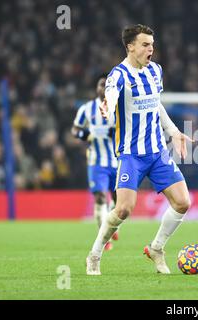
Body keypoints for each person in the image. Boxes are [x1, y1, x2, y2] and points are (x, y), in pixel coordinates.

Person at [86, 24, 193, 275]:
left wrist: (174, 131)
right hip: (131, 154)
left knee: (183, 202)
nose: (150, 49)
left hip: (157, 152)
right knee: (123, 208)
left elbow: (156, 105)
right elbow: (111, 96)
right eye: (145, 44)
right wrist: (107, 106)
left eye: (152, 45)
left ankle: (156, 248)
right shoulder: (119, 75)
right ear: (130, 46)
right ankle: (95, 254)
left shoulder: (155, 70)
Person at [72, 75, 119, 251]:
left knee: (119, 200)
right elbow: (75, 129)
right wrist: (85, 135)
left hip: (116, 160)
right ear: (97, 88)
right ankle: (104, 237)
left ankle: (114, 226)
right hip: (96, 162)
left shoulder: (117, 108)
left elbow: (126, 129)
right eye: (101, 84)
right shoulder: (87, 109)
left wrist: (112, 132)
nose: (103, 87)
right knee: (100, 197)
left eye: (106, 85)